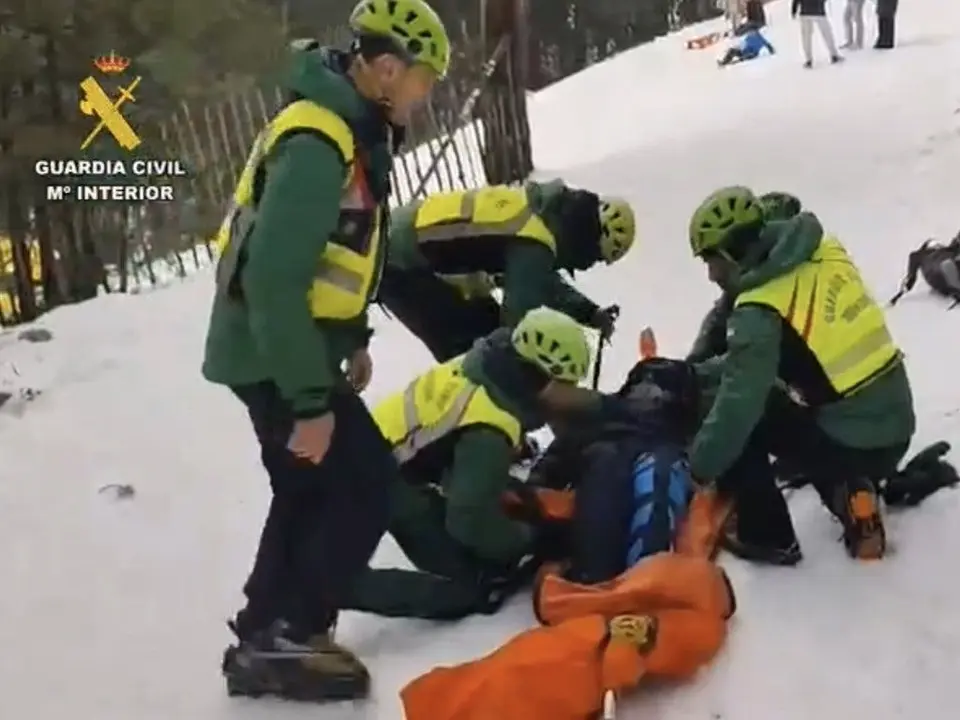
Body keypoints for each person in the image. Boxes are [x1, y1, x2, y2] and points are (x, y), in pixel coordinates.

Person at [202, 0, 450, 702]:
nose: (425, 98)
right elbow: (275, 281)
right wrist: (310, 401)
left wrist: (352, 338)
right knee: (364, 487)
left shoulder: (348, 128)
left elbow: (337, 257)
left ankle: (265, 629)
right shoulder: (319, 142)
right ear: (385, 69)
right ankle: (290, 634)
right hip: (275, 354)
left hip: (291, 347)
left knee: (308, 486)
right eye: (422, 82)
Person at [685, 186, 916, 565]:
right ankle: (852, 497)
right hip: (897, 426)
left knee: (732, 408)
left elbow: (737, 405)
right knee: (792, 396)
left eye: (711, 260)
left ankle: (767, 536)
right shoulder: (823, 251)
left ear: (734, 250)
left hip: (852, 441)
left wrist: (696, 469)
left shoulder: (760, 309)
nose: (711, 274)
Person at [339, 307, 598, 620]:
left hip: (372, 448)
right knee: (471, 585)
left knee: (489, 496)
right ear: (544, 378)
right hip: (371, 480)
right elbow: (467, 518)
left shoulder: (488, 366)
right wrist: (526, 540)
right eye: (566, 384)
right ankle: (335, 586)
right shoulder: (489, 431)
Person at [378, 180, 635, 362]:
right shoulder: (536, 241)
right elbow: (518, 321)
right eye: (596, 258)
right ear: (589, 243)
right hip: (401, 259)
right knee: (476, 355)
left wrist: (588, 312)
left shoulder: (545, 213)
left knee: (486, 338)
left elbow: (539, 279)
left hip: (418, 243)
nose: (588, 265)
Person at [792, 0, 842, 67]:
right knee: (827, 33)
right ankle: (834, 55)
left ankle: (808, 60)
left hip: (805, 12)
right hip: (819, 11)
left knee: (806, 37)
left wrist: (794, 11)